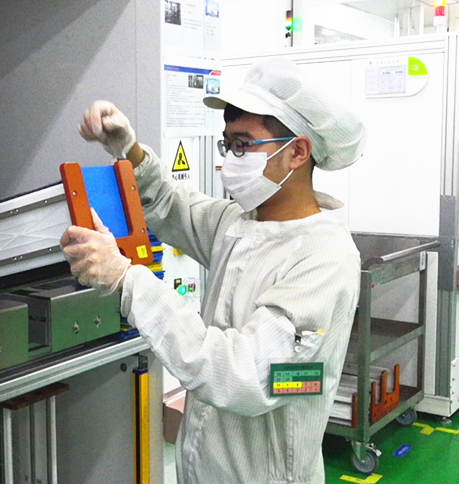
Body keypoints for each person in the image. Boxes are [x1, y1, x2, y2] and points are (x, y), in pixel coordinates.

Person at [60, 58, 366, 483]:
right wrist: (128, 150)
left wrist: (127, 278)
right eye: (228, 145)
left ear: (297, 152)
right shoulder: (240, 224)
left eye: (243, 145)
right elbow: (170, 203)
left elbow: (247, 376)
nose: (229, 162)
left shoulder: (325, 257)